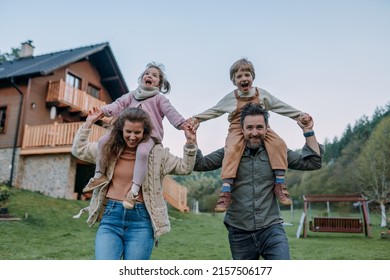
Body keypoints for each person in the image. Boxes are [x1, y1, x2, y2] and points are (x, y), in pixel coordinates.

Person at [193, 103, 323, 260]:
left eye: (259, 127)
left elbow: (313, 163)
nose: (254, 132)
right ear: (242, 129)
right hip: (239, 232)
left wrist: (308, 131)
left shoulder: (278, 151)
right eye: (250, 128)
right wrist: (191, 139)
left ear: (267, 128)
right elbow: (199, 164)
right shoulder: (229, 152)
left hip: (271, 229)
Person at [72, 107, 197, 260]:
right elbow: (79, 150)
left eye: (137, 133)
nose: (132, 137)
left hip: (141, 221)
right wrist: (88, 124)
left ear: (145, 132)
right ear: (121, 130)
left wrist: (190, 143)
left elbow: (185, 167)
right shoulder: (108, 149)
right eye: (128, 132)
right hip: (111, 218)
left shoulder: (157, 154)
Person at [189, 58, 310, 212]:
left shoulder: (261, 94)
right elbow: (215, 110)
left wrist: (298, 115)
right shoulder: (231, 98)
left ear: (253, 77)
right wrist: (197, 118)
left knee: (279, 144)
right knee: (232, 149)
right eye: (239, 76)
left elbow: (280, 105)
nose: (244, 79)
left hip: (261, 128)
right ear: (234, 81)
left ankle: (279, 183)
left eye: (247, 75)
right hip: (236, 129)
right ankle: (226, 191)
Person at [82, 62, 191, 209]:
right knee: (103, 141)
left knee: (143, 151)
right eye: (147, 73)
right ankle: (99, 175)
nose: (149, 76)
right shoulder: (132, 95)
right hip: (125, 131)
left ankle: (133, 191)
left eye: (154, 75)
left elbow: (171, 113)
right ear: (142, 78)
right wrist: (103, 111)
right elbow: (118, 105)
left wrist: (182, 124)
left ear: (159, 84)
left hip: (149, 135)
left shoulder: (159, 99)